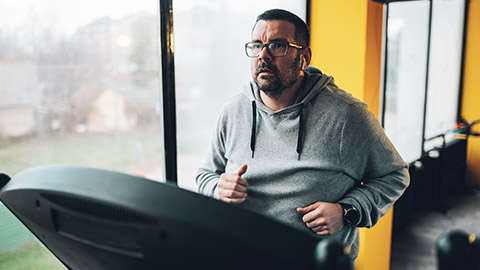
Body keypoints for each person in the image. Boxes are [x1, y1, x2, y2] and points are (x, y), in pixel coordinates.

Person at [196, 8, 409, 260]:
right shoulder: (234, 111)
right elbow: (205, 175)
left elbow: (395, 175)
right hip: (242, 257)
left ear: (304, 57)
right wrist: (218, 189)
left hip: (315, 263)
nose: (263, 55)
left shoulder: (347, 116)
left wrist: (347, 211)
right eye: (256, 45)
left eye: (278, 46)